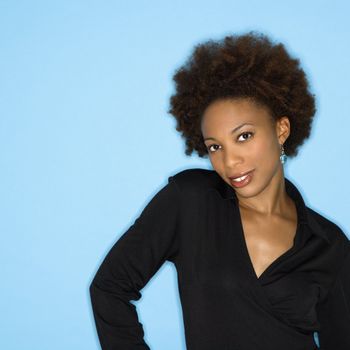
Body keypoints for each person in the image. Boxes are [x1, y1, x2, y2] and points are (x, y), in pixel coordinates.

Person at [89, 31, 350, 349]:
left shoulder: (329, 243)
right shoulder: (190, 203)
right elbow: (109, 288)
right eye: (215, 146)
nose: (230, 161)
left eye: (244, 136)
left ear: (281, 129)